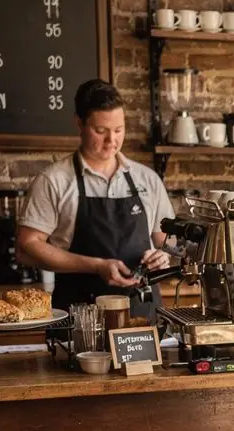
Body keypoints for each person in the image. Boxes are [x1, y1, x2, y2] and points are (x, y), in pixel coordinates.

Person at [17, 78, 175, 316]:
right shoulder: (54, 179)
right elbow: (27, 247)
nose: (112, 141)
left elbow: (167, 240)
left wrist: (163, 256)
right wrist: (96, 266)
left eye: (119, 130)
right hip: (80, 315)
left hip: (142, 316)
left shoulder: (147, 179)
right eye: (101, 131)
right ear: (79, 123)